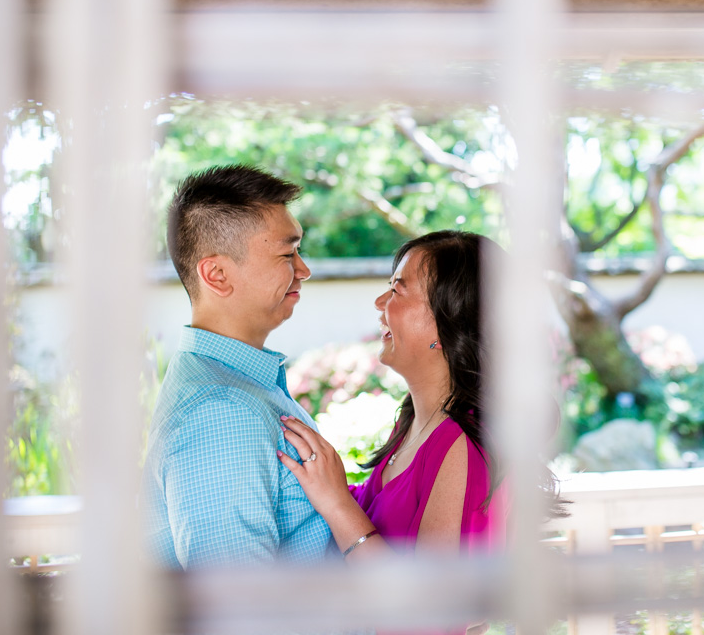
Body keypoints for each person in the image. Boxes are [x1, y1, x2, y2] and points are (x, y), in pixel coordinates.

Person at [142, 165, 336, 568]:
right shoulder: (223, 410)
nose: (304, 269)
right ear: (216, 274)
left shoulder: (234, 385)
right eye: (288, 253)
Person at [276, 230, 510, 559]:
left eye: (397, 290)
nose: (380, 303)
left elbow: (432, 603)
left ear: (449, 323)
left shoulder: (466, 445)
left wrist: (337, 503)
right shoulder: (414, 422)